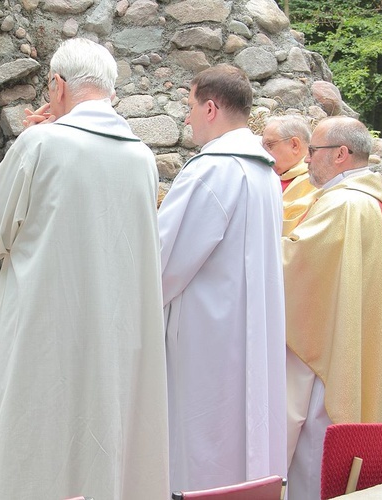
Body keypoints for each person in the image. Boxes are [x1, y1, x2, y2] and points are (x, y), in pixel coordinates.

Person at [0, 38, 170, 499]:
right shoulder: (141, 157)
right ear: (110, 92)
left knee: (37, 439)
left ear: (57, 85)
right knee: (103, 439)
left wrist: (24, 144)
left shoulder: (39, 143)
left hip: (43, 331)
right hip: (114, 336)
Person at [158, 64, 287, 492]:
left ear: (210, 107)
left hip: (207, 343)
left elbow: (163, 264)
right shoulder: (266, 172)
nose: (187, 117)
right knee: (242, 442)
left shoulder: (209, 171)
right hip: (247, 333)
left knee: (202, 449)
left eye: (190, 106)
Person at [283, 116, 382, 499]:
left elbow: (293, 263)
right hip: (349, 337)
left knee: (313, 450)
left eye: (313, 152)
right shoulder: (370, 200)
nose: (307, 162)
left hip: (329, 352)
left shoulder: (343, 204)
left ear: (340, 154)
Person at [262, 115, 319, 235]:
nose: (264, 153)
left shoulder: (316, 180)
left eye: (270, 145)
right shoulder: (275, 175)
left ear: (294, 145)